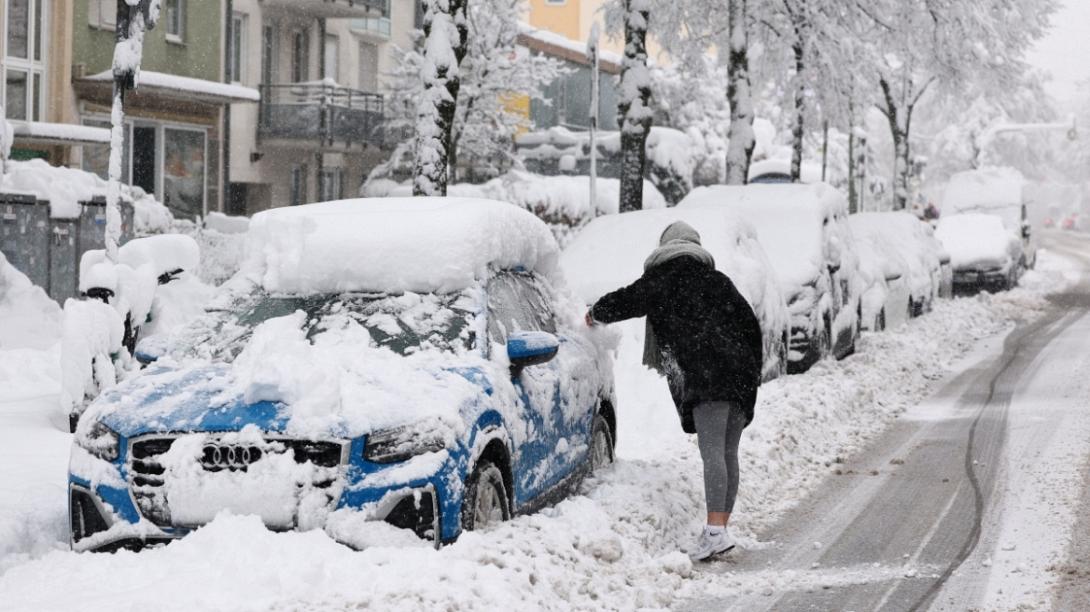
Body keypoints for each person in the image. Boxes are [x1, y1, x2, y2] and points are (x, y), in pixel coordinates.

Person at [585, 221, 763, 562]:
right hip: (739, 374)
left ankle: (715, 531)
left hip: (708, 373)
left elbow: (629, 300)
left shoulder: (665, 277)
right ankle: (718, 529)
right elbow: (751, 325)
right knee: (727, 452)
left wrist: (595, 313)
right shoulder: (719, 281)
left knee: (712, 452)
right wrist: (751, 372)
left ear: (666, 246)